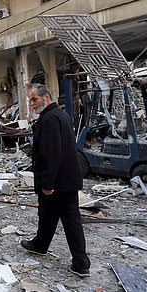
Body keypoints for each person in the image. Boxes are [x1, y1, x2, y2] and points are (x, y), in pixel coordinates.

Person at [20, 84, 91, 277]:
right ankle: (41, 245)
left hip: (57, 183)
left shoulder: (50, 119)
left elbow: (53, 154)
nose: (32, 103)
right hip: (67, 180)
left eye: (34, 99)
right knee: (50, 216)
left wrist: (48, 184)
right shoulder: (61, 115)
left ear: (47, 97)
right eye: (30, 100)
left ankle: (81, 262)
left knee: (67, 220)